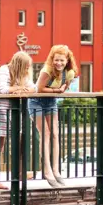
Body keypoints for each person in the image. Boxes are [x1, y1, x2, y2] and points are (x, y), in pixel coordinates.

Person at [31, 45, 77, 188]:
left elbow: (66, 86)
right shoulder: (46, 71)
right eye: (56, 60)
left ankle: (56, 169)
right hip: (36, 101)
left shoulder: (69, 73)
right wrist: (57, 89)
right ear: (52, 59)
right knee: (45, 134)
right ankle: (47, 170)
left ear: (67, 60)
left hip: (51, 101)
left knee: (56, 134)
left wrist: (61, 89)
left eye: (62, 60)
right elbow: (39, 89)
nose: (59, 63)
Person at [0, 51, 35, 190]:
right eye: (26, 67)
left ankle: (20, 173)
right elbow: (3, 90)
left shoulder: (23, 74)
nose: (28, 70)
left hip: (15, 111)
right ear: (19, 64)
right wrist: (20, 88)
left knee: (20, 141)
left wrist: (20, 89)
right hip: (0, 110)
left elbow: (33, 87)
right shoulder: (4, 70)